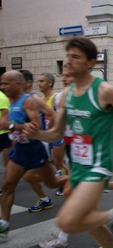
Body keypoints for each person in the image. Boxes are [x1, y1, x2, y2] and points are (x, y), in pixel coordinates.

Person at [23, 37, 113, 248]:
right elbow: (58, 133)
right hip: (77, 165)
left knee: (67, 221)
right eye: (68, 56)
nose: (69, 61)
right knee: (88, 220)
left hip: (98, 164)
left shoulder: (103, 90)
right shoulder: (67, 95)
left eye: (75, 57)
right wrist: (37, 134)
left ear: (90, 62)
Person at [0, 70, 68, 238]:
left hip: (35, 149)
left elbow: (35, 127)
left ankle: (78, 178)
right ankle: (4, 224)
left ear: (18, 84)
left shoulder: (29, 101)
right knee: (8, 185)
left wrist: (9, 126)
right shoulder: (11, 101)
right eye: (1, 83)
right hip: (20, 150)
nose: (2, 86)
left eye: (6, 83)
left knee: (52, 182)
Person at [0, 89, 12, 196]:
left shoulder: (1, 97)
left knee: (7, 162)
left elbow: (5, 115)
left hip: (3, 133)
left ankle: (7, 185)